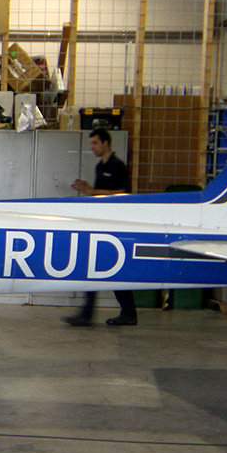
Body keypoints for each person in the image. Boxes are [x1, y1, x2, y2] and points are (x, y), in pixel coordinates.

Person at [63, 128, 138, 327]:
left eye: (95, 143)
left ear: (106, 143)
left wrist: (92, 190)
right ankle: (93, 314)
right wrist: (86, 188)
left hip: (116, 226)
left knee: (109, 271)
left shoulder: (117, 166)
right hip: (102, 224)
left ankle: (126, 313)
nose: (92, 147)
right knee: (99, 269)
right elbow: (98, 195)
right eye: (91, 143)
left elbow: (121, 192)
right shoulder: (100, 167)